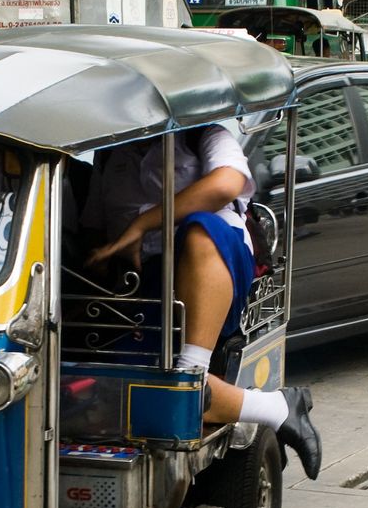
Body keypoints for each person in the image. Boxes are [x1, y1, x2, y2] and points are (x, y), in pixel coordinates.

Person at [85, 126, 322, 479]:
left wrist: (141, 225)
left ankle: (191, 369)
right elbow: (92, 231)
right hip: (145, 290)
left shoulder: (204, 136)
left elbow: (226, 184)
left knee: (200, 227)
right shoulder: (109, 153)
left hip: (215, 270)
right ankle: (274, 407)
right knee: (113, 392)